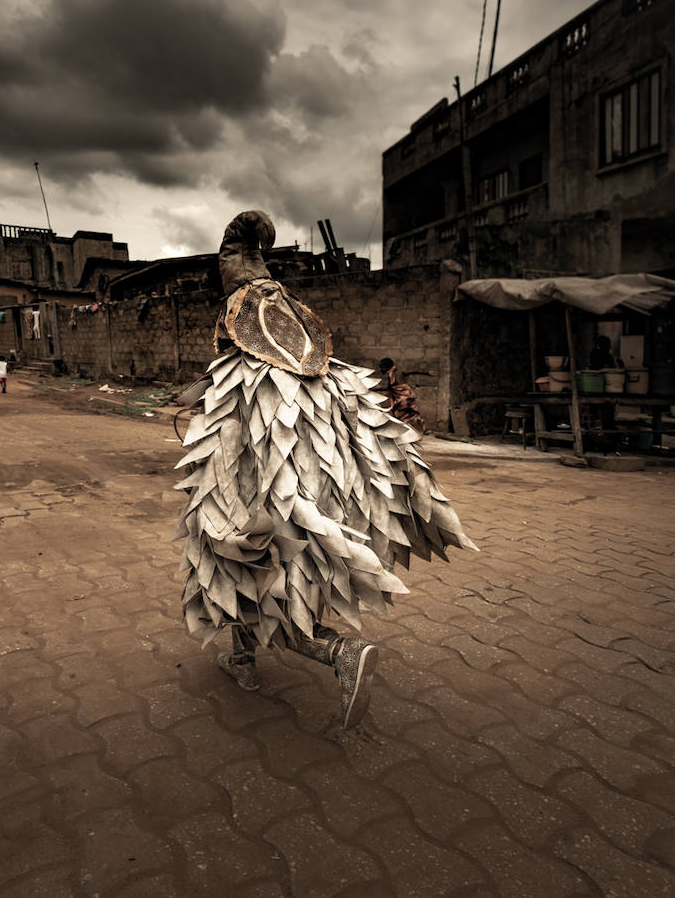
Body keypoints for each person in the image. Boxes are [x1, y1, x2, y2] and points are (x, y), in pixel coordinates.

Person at [175, 211, 476, 729]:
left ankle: (339, 653)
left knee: (240, 563)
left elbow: (233, 440)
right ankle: (243, 659)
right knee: (243, 568)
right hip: (316, 487)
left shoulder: (247, 373)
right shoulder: (322, 375)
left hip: (268, 494)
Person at [378, 358, 427, 434]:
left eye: (382, 368)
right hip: (403, 397)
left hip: (404, 396)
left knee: (405, 414)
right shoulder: (391, 374)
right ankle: (419, 427)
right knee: (410, 413)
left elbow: (413, 372)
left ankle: (414, 429)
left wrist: (427, 373)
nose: (381, 370)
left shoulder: (397, 373)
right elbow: (391, 388)